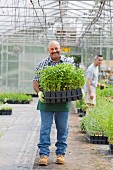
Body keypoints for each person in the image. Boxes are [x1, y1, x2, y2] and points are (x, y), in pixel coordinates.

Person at [33, 40, 73, 166]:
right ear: (48, 50)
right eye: (52, 49)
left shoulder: (68, 63)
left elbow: (74, 80)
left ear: (60, 48)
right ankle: (44, 155)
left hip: (63, 101)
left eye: (56, 48)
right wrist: (39, 92)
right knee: (45, 129)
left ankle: (61, 154)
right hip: (46, 102)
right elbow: (35, 82)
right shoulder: (42, 64)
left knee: (63, 129)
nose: (54, 51)